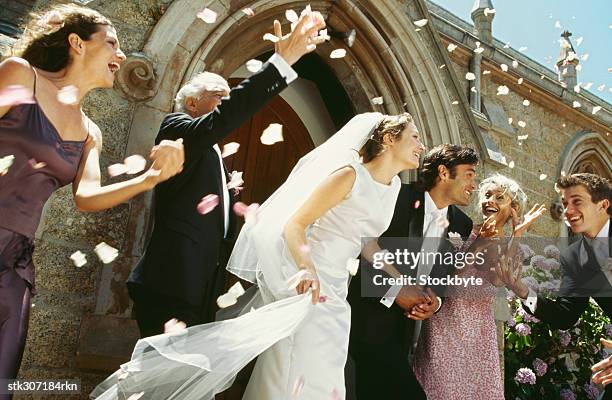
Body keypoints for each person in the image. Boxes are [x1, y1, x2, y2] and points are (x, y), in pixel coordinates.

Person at [91, 111, 426, 399]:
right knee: (299, 370)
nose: (421, 146)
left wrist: (403, 283)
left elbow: (368, 245)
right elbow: (294, 226)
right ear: (388, 139)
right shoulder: (348, 175)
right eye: (414, 137)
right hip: (310, 284)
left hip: (337, 292)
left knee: (321, 372)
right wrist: (307, 271)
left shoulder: (393, 187)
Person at [0, 4, 184, 391]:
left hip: (15, 264)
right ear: (76, 43)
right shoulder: (21, 75)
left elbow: (88, 196)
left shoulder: (89, 132)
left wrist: (150, 178)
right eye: (112, 43)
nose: (120, 55)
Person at [126, 10, 327, 338]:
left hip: (200, 288)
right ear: (192, 102)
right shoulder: (177, 128)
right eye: (220, 96)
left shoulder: (213, 154)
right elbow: (224, 118)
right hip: (171, 282)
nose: (227, 100)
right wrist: (281, 64)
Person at [347, 143, 478, 399]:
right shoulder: (396, 197)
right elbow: (359, 248)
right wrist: (395, 291)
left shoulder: (462, 223)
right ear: (443, 172)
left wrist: (435, 303)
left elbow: (442, 277)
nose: (474, 184)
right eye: (470, 174)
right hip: (367, 317)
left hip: (405, 331)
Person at [413, 174, 545, 399]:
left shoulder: (513, 248)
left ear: (513, 208)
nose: (490, 200)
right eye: (487, 195)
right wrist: (478, 244)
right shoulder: (460, 230)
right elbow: (450, 275)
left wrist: (517, 235)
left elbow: (499, 279)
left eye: (499, 197)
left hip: (478, 339)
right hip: (444, 327)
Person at [498, 173, 611, 398]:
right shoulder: (574, 256)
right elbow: (565, 315)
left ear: (603, 205)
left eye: (577, 201)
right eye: (565, 203)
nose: (568, 211)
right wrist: (521, 289)